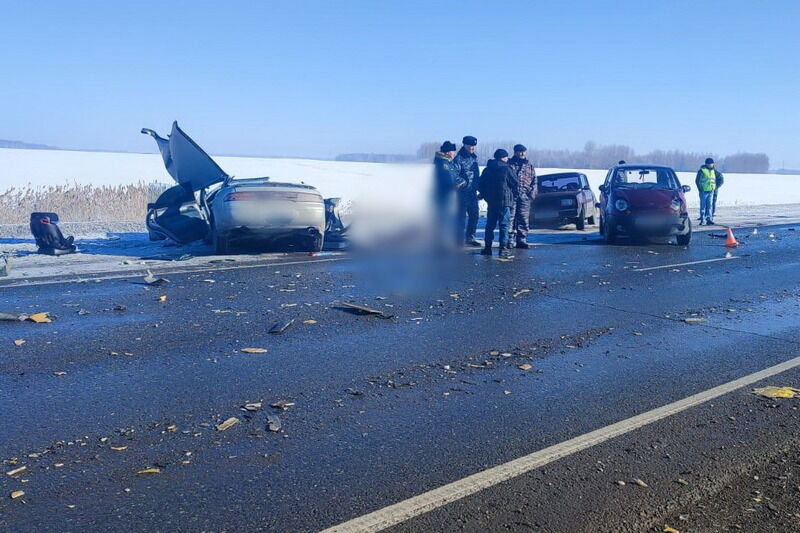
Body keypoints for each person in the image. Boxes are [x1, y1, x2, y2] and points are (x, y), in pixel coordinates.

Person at [477, 149, 519, 258]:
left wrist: (486, 196)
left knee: (490, 225)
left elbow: (480, 185)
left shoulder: (487, 169)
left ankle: (487, 248)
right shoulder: (507, 169)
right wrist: (514, 197)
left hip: (491, 202)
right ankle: (503, 249)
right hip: (505, 202)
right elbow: (515, 184)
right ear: (503, 158)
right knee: (504, 225)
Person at [451, 136, 481, 246]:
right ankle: (458, 239)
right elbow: (453, 175)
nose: (472, 148)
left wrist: (479, 186)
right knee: (461, 216)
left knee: (474, 215)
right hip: (462, 193)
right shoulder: (459, 159)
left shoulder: (473, 158)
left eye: (474, 146)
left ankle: (470, 238)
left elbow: (476, 176)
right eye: (470, 146)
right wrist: (464, 183)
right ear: (464, 145)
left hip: (472, 193)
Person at [507, 144, 536, 249]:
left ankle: (521, 239)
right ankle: (509, 239)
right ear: (515, 152)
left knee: (523, 218)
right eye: (520, 151)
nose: (522, 153)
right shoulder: (509, 164)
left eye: (524, 151)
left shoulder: (529, 166)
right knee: (510, 218)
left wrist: (531, 194)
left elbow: (534, 181)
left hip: (524, 196)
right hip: (511, 196)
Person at [432, 141, 458, 247]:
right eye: (453, 151)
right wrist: (457, 185)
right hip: (442, 195)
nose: (454, 153)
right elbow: (447, 180)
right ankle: (439, 243)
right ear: (447, 152)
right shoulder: (443, 164)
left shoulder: (447, 162)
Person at [695, 158, 722, 225]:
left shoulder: (713, 171)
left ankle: (709, 219)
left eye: (711, 164)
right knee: (703, 206)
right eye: (709, 164)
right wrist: (700, 189)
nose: (710, 165)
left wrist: (715, 187)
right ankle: (703, 219)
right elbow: (697, 181)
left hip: (711, 191)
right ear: (706, 164)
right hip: (703, 191)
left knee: (710, 206)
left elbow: (719, 179)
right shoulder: (702, 171)